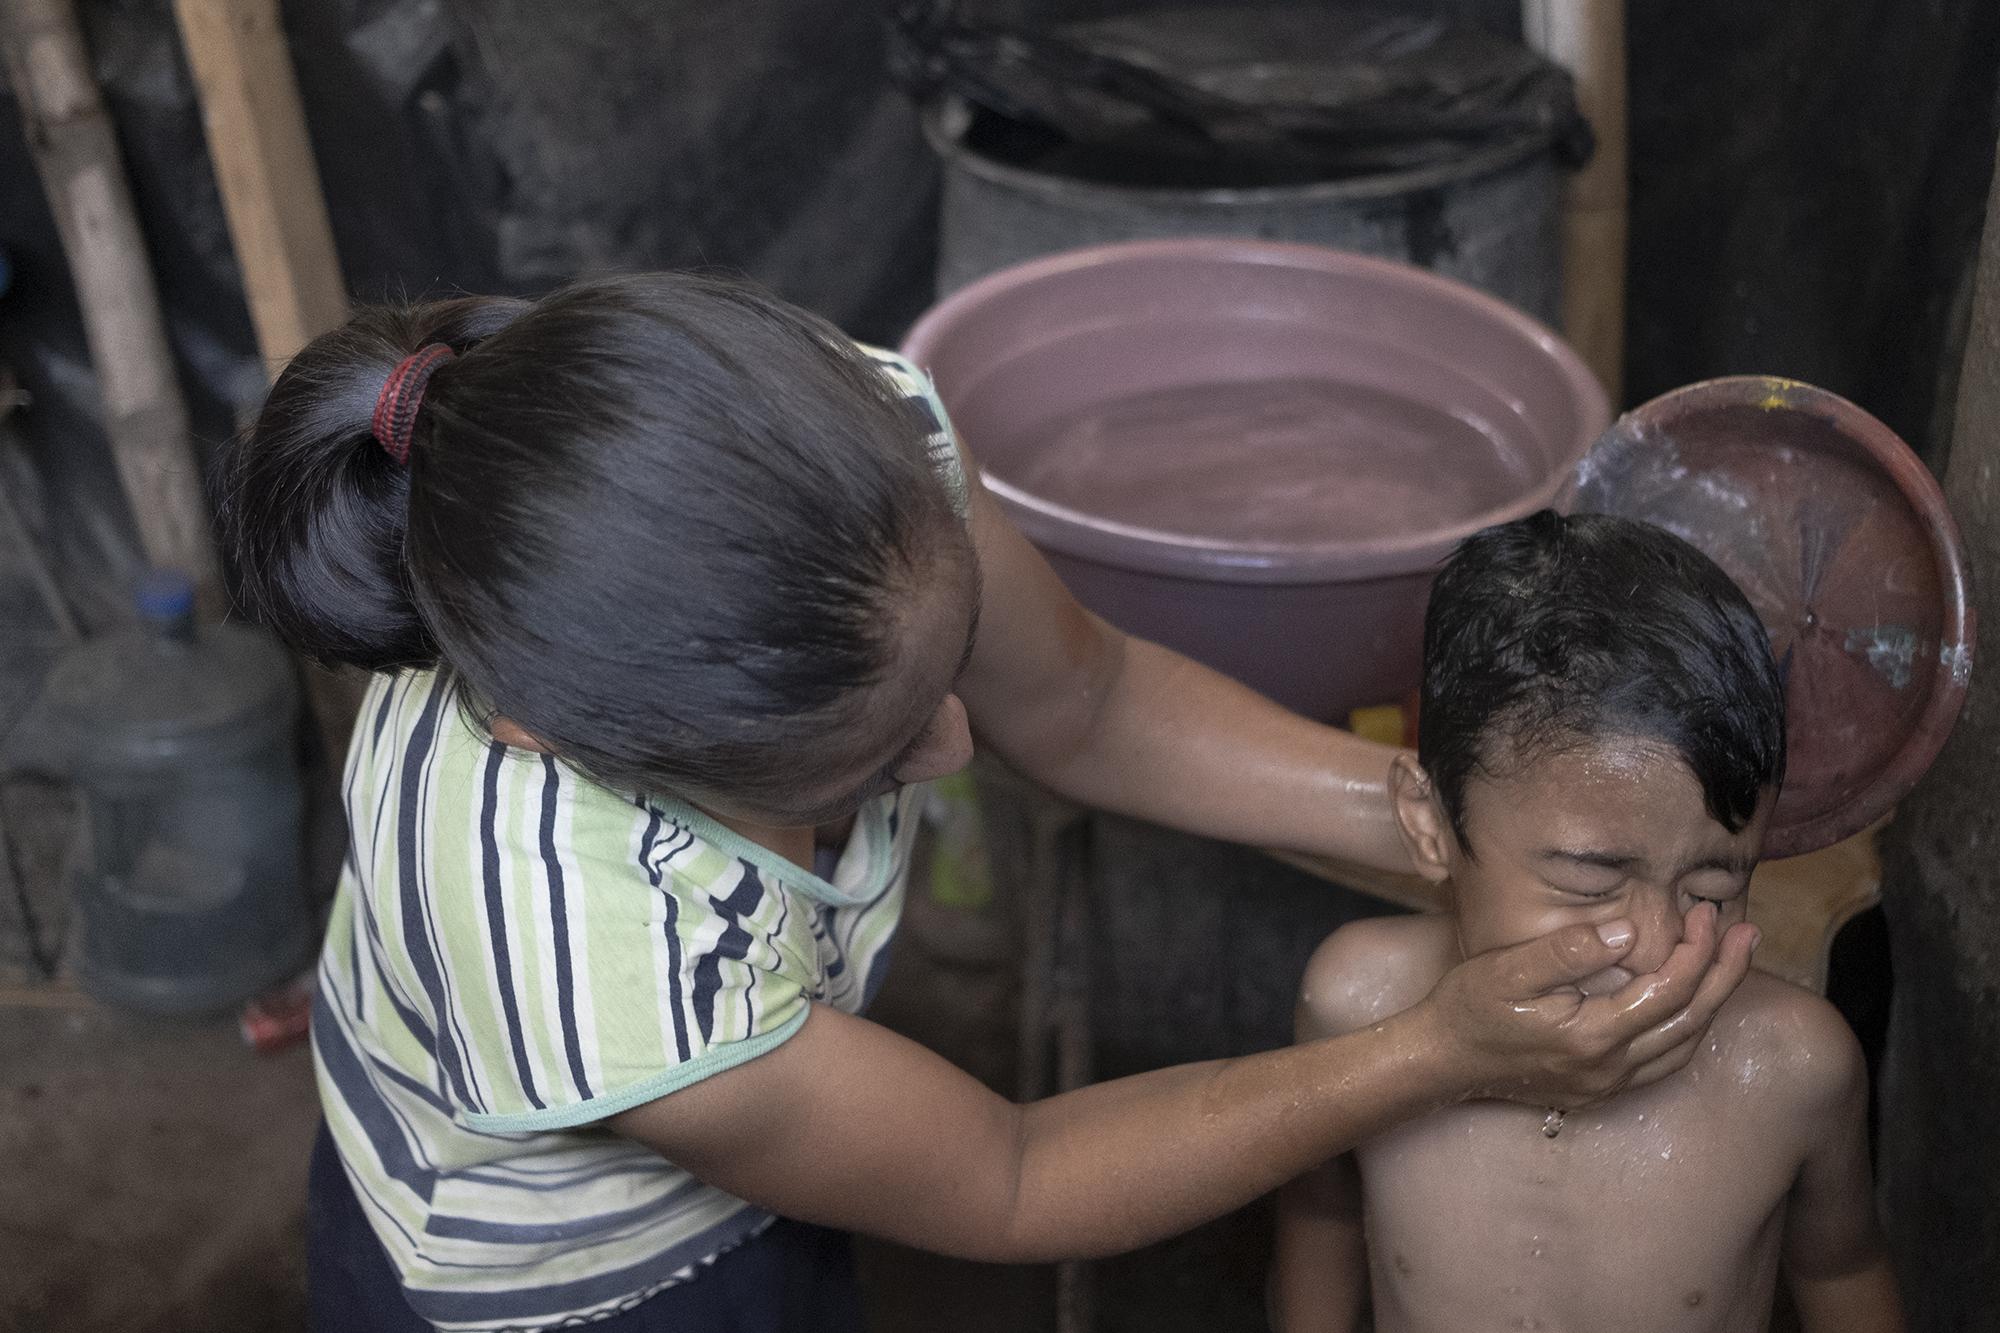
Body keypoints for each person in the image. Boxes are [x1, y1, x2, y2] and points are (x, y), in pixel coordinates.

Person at [220, 273, 1758, 1333]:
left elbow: (1085, 701)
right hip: (579, 1281)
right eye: (869, 758)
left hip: (770, 1125)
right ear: (575, 740)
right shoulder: (586, 964)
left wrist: (1457, 828)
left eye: (949, 662)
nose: (961, 747)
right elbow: (1011, 1176)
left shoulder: (841, 455)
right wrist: (1432, 1049)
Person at [1271, 510, 1902, 1333]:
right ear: (1430, 825)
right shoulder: (1355, 1002)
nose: (1654, 945)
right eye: (1590, 879)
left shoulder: (1790, 1072)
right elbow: (1320, 1216)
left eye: (1712, 886)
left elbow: (1843, 1267)